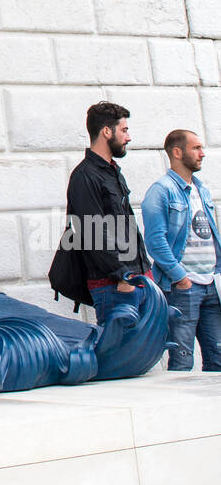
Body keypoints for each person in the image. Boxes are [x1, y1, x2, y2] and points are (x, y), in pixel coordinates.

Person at [55, 101, 152, 325]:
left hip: (136, 280)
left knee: (140, 357)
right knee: (119, 357)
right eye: (124, 130)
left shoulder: (113, 172)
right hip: (115, 286)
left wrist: (146, 272)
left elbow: (127, 228)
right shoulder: (84, 175)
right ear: (107, 131)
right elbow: (91, 231)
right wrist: (122, 276)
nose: (128, 137)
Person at [141, 130, 221, 372]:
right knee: (182, 359)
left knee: (217, 356)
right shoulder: (161, 190)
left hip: (211, 284)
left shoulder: (201, 189)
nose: (202, 153)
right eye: (196, 148)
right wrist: (181, 277)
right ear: (177, 152)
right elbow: (155, 241)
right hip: (183, 288)